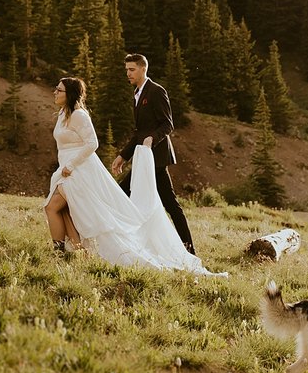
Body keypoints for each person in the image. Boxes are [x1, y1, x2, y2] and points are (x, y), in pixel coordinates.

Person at [43, 76, 222, 275]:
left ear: (70, 94)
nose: (55, 92)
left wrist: (71, 164)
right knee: (65, 210)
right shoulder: (62, 114)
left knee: (53, 207)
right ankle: (73, 252)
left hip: (79, 170)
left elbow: (92, 143)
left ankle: (61, 252)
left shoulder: (79, 115)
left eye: (59, 90)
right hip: (66, 169)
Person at [110, 53, 197, 255]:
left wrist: (152, 138)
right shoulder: (137, 94)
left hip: (156, 160)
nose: (128, 73)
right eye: (126, 70)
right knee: (125, 196)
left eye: (131, 69)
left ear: (143, 69)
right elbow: (138, 132)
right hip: (143, 159)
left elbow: (167, 124)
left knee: (169, 205)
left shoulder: (156, 91)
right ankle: (134, 245)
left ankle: (189, 250)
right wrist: (123, 156)